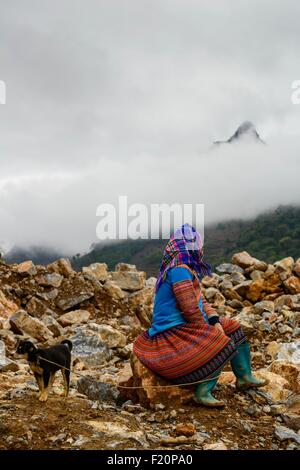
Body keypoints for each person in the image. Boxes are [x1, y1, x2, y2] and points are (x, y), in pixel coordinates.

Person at [133, 223, 267, 407]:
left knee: (232, 327)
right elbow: (190, 309)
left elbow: (200, 301)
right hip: (172, 332)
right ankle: (203, 391)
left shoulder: (184, 269)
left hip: (185, 326)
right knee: (218, 341)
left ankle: (244, 377)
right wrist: (208, 331)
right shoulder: (178, 270)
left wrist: (213, 320)